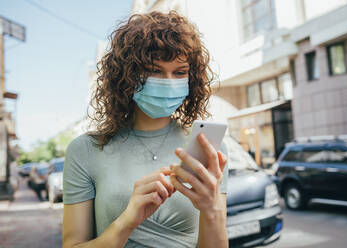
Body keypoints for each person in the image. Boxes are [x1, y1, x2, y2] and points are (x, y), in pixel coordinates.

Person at [62, 11, 228, 248]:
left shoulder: (209, 149)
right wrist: (127, 221)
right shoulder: (84, 150)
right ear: (127, 75)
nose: (169, 82)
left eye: (180, 72)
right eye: (154, 70)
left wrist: (212, 209)